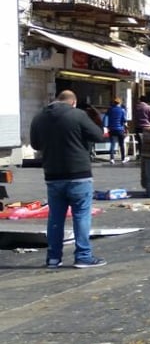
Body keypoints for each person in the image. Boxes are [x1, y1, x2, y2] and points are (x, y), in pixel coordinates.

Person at [30, 91, 108, 268]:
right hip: (78, 174)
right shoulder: (78, 115)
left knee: (55, 218)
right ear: (73, 102)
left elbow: (35, 144)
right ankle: (83, 256)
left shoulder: (39, 117)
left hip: (52, 175)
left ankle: (53, 258)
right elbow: (97, 135)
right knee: (81, 216)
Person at [102, 99, 128, 164]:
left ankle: (112, 159)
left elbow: (105, 117)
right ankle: (123, 159)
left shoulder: (110, 109)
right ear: (120, 103)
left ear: (114, 103)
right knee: (121, 144)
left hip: (112, 129)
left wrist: (106, 126)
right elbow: (124, 120)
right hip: (120, 129)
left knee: (112, 144)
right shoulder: (122, 110)